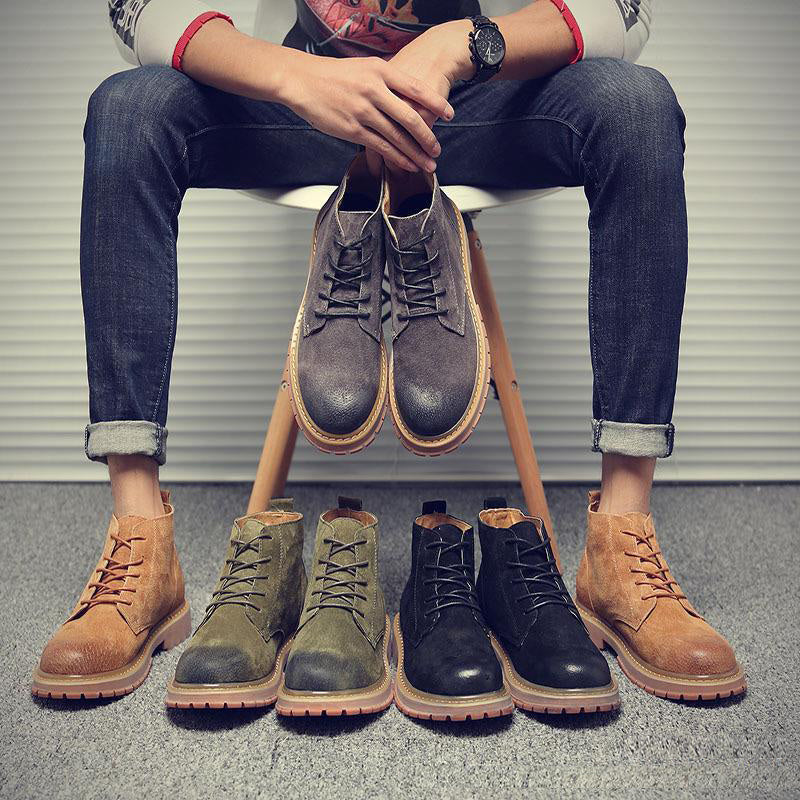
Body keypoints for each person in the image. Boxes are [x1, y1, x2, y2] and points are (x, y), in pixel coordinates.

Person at [31, 0, 745, 705]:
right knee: (127, 108)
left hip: (466, 103)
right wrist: (296, 77)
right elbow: (135, 10)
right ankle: (141, 547)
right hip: (302, 105)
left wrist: (465, 44)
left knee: (636, 105)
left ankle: (621, 543)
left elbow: (623, 11)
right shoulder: (296, 81)